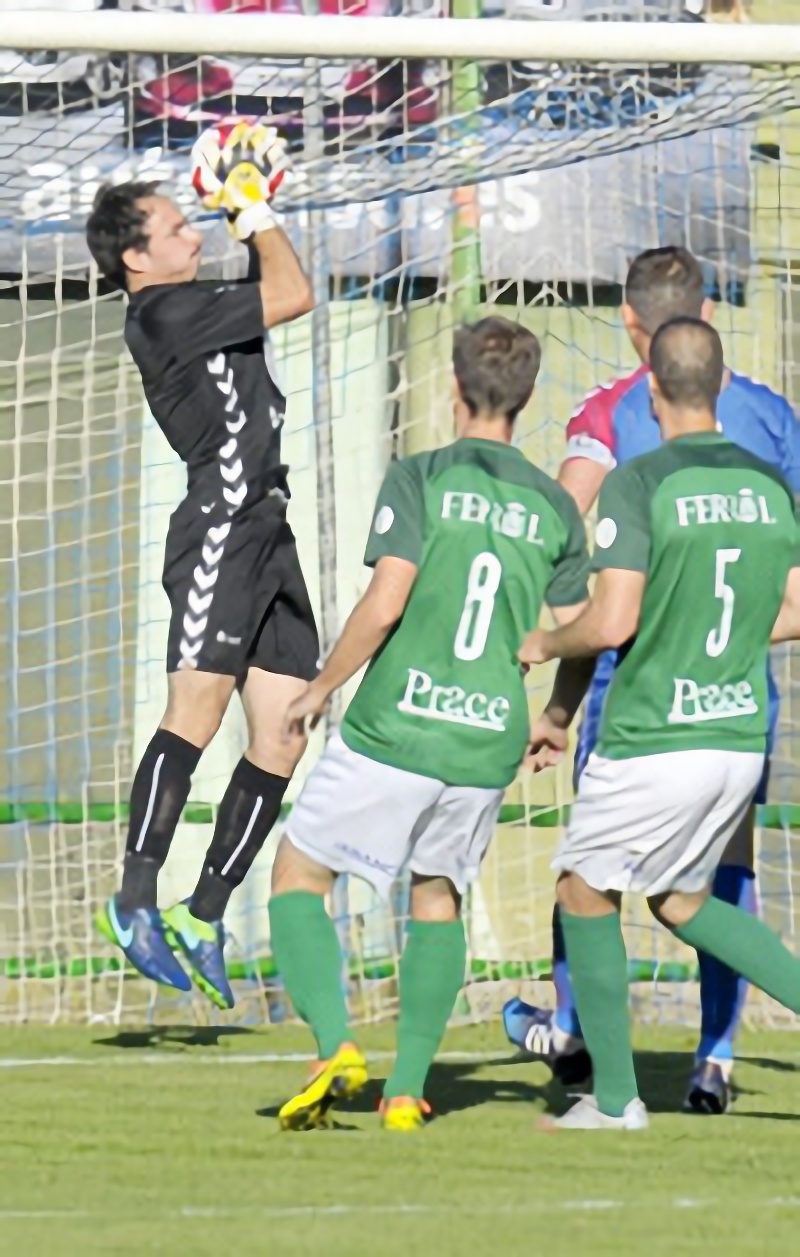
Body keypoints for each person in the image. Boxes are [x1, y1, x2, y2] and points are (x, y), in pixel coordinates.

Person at [264, 317, 590, 1132]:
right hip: (485, 741)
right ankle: (406, 1092)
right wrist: (554, 715)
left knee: (299, 875)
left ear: (452, 388)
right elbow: (586, 626)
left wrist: (318, 689)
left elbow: (386, 601)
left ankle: (337, 1043)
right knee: (438, 896)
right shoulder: (554, 505)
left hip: (397, 726)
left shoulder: (420, 477)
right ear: (526, 400)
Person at [504, 246, 800, 1114]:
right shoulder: (770, 461)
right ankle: (713, 1054)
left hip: (650, 721)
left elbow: (605, 606)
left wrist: (543, 641)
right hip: (740, 716)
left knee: (584, 886)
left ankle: (609, 1085)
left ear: (645, 358)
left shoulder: (631, 465)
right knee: (687, 893)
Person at [85, 122, 316, 1009]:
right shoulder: (163, 311)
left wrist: (249, 206)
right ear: (138, 259)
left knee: (286, 727)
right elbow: (291, 291)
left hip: (271, 527)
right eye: (178, 226)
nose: (195, 232)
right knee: (197, 708)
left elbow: (273, 284)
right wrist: (250, 205)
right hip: (221, 524)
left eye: (196, 220)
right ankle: (135, 898)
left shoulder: (196, 299)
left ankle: (204, 911)